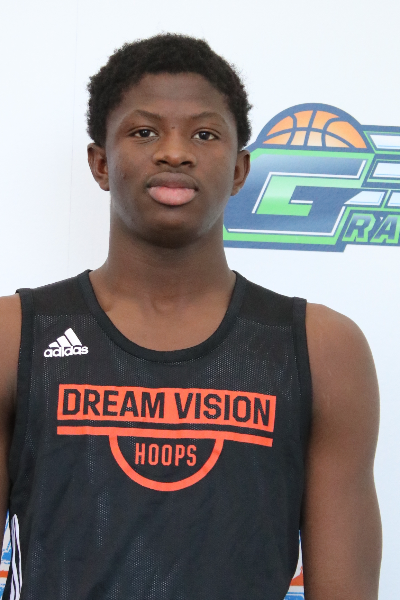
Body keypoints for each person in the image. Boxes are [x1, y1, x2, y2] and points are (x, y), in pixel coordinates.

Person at [0, 34, 381, 600]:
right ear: (101, 163)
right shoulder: (15, 336)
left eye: (204, 134)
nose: (174, 152)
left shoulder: (321, 348)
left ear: (240, 170)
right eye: (144, 132)